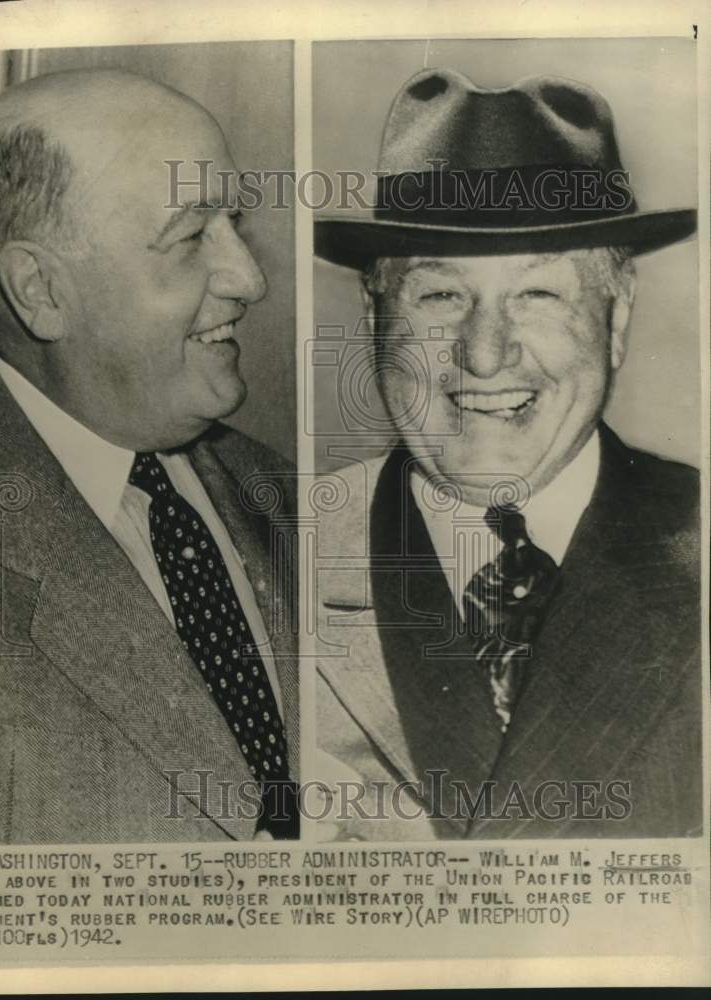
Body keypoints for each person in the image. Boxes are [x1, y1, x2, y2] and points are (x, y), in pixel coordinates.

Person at [313, 68, 701, 839]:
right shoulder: (265, 552)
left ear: (617, 316)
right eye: (440, 295)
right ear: (375, 315)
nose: (485, 356)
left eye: (539, 295)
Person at [0, 68, 299, 844]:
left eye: (234, 224)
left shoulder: (286, 492)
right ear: (41, 290)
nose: (249, 280)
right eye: (191, 237)